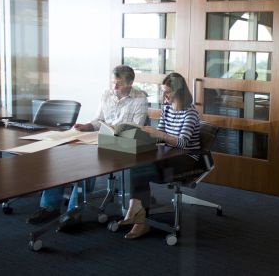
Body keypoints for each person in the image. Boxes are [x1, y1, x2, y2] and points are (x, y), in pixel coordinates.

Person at [26, 65, 148, 229]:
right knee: (60, 157)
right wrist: (87, 126)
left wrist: (113, 131)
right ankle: (49, 207)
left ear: (130, 82)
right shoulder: (107, 94)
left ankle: (73, 213)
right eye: (113, 82)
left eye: (118, 84)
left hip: (122, 143)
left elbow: (137, 127)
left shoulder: (139, 98)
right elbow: (98, 120)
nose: (114, 87)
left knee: (84, 165)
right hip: (100, 139)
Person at [118, 72, 201, 239]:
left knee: (139, 169)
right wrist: (142, 133)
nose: (164, 95)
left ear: (179, 93)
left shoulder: (190, 113)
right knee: (137, 163)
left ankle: (138, 215)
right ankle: (138, 212)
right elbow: (160, 135)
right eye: (163, 91)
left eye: (168, 92)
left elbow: (182, 142)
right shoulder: (167, 108)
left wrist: (159, 135)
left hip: (186, 160)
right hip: (168, 154)